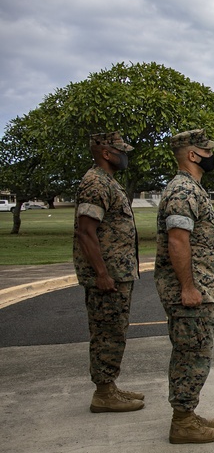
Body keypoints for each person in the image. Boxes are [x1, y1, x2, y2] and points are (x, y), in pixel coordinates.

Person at [155, 129, 214, 444]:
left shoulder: (191, 188)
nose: (213, 155)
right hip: (191, 292)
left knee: (195, 353)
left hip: (200, 287)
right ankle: (182, 422)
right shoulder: (183, 190)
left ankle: (187, 413)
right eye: (207, 151)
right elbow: (177, 240)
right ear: (193, 155)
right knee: (191, 354)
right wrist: (189, 288)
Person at [73, 131, 144, 413]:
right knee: (106, 332)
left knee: (114, 330)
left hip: (118, 272)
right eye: (119, 150)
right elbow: (86, 232)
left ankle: (109, 385)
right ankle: (103, 392)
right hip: (108, 276)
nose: (124, 155)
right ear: (104, 152)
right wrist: (102, 273)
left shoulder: (108, 182)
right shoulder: (95, 183)